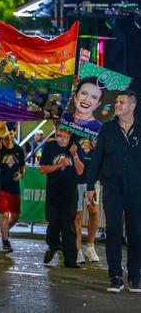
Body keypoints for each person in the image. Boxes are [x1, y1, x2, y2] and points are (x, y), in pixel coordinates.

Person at [86, 90, 140, 293]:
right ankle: (115, 276)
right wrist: (91, 185)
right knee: (114, 231)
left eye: (122, 102)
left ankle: (135, 276)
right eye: (117, 101)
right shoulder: (107, 129)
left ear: (132, 106)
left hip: (137, 190)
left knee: (136, 233)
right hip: (112, 189)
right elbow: (97, 157)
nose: (117, 105)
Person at [39, 126, 84, 268]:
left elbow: (80, 170)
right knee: (54, 222)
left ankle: (70, 259)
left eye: (62, 131)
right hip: (53, 191)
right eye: (57, 131)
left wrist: (75, 155)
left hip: (70, 191)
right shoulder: (50, 146)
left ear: (68, 133)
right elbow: (42, 169)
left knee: (69, 224)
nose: (58, 133)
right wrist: (59, 165)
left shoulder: (76, 145)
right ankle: (52, 246)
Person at [0, 122, 25, 252]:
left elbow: (22, 169)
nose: (9, 135)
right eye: (6, 133)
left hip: (14, 187)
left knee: (15, 216)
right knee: (4, 214)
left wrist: (20, 175)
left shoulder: (19, 150)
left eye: (11, 132)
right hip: (0, 186)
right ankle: (5, 241)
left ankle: (4, 230)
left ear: (14, 134)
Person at [75, 137, 100, 264]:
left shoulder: (98, 128)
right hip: (77, 179)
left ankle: (90, 246)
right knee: (77, 215)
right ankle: (77, 249)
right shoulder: (76, 127)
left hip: (93, 179)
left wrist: (99, 149)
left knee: (94, 211)